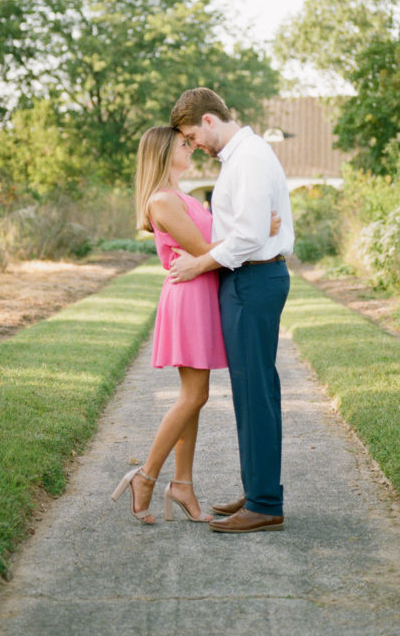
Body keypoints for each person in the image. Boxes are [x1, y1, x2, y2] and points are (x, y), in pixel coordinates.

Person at [111, 125, 279, 525]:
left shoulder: (182, 197)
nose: (191, 148)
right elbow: (206, 251)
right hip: (189, 297)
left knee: (196, 394)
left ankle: (182, 483)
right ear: (164, 153)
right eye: (183, 144)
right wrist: (257, 234)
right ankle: (147, 476)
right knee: (193, 395)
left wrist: (249, 232)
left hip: (202, 290)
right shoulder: (163, 201)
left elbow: (216, 243)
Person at [168, 88, 294, 534]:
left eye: (190, 135)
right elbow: (247, 227)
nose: (193, 145)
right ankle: (260, 488)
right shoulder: (242, 158)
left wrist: (198, 264)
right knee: (253, 392)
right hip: (248, 279)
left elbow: (249, 238)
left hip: (253, 281)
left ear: (207, 120)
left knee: (254, 391)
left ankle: (264, 504)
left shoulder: (249, 158)